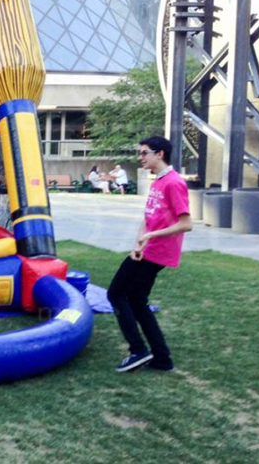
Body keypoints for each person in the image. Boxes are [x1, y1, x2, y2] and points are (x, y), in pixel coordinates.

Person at [108, 136, 192, 373]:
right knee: (137, 301)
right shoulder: (158, 181)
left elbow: (186, 223)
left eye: (144, 153)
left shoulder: (174, 183)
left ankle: (138, 350)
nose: (140, 157)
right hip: (147, 250)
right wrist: (138, 242)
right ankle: (162, 359)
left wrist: (149, 238)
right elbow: (149, 218)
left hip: (158, 252)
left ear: (160, 154)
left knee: (116, 293)